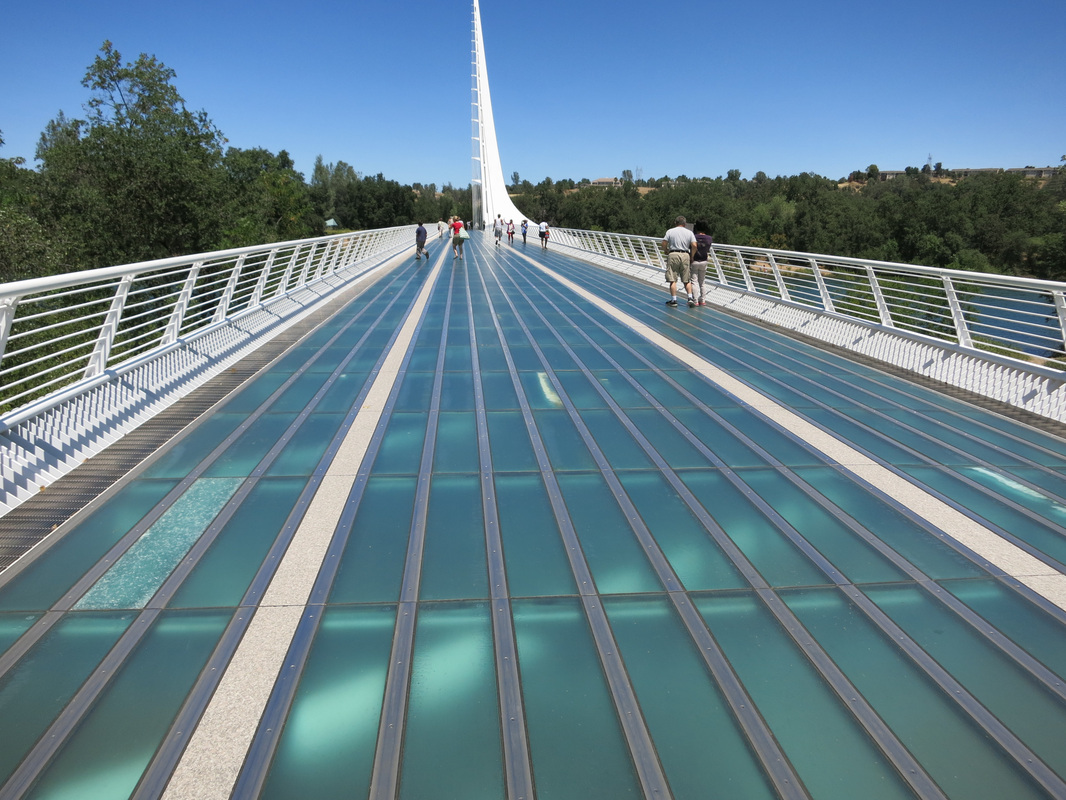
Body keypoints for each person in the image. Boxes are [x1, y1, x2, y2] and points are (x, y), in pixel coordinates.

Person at [661, 215, 697, 307]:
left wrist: (666, 250)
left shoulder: (670, 231)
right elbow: (694, 245)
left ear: (675, 223)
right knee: (686, 279)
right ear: (685, 224)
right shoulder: (689, 233)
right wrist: (692, 256)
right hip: (685, 254)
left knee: (673, 279)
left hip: (673, 254)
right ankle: (690, 298)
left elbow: (664, 243)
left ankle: (674, 300)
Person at [691, 219, 714, 305]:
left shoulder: (693, 237)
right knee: (702, 281)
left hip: (694, 260)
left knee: (694, 281)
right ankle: (703, 300)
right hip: (704, 260)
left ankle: (695, 300)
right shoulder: (709, 238)